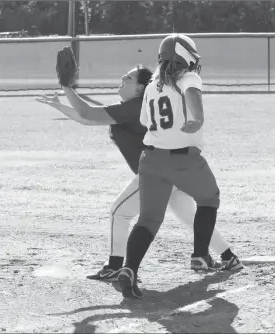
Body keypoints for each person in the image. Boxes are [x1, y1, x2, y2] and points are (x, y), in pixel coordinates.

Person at [36, 64, 242, 284]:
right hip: (169, 169)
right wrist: (61, 106)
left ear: (140, 88)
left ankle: (115, 267)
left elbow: (88, 114)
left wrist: (68, 88)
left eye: (130, 77)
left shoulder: (135, 106)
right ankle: (229, 257)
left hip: (156, 173)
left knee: (119, 211)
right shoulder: (133, 106)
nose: (123, 77)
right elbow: (88, 119)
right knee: (191, 218)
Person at [116, 34, 242, 299]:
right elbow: (192, 93)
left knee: (148, 220)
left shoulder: (151, 84)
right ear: (186, 57)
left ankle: (129, 269)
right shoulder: (187, 77)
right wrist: (197, 118)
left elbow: (144, 119)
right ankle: (199, 256)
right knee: (209, 198)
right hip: (183, 159)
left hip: (150, 159)